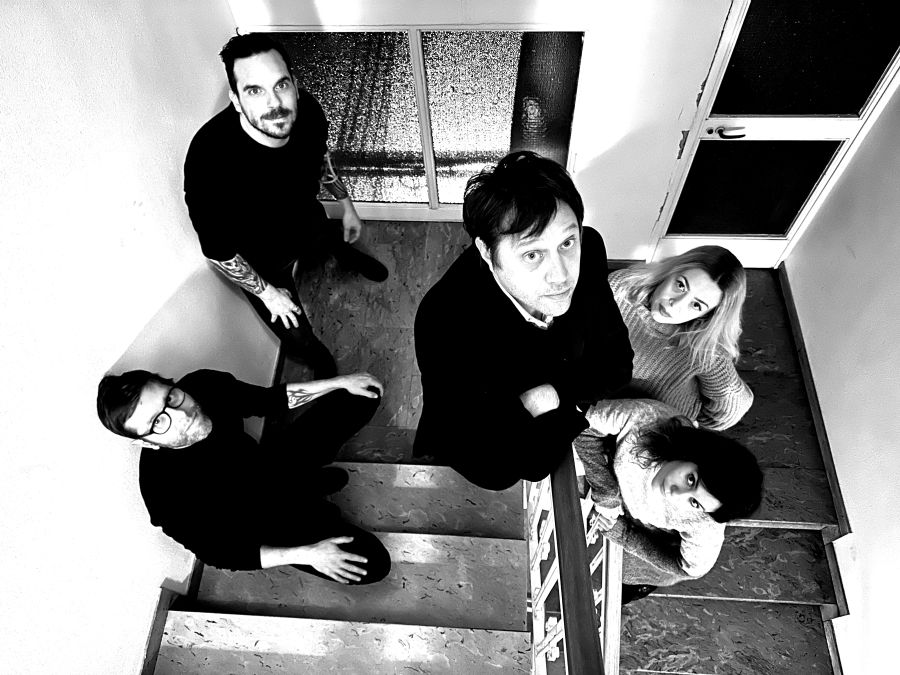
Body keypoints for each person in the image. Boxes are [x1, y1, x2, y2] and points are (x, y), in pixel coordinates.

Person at [414, 150, 633, 490]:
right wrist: (548, 400)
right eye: (532, 254)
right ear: (487, 252)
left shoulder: (588, 248)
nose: (561, 275)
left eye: (567, 242)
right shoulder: (444, 321)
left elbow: (617, 365)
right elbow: (484, 454)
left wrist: (548, 395)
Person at [184, 33, 388, 379]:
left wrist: (346, 205)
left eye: (281, 85)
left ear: (294, 82)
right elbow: (218, 251)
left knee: (328, 237)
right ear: (236, 100)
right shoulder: (209, 159)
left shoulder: (307, 112)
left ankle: (345, 254)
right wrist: (267, 294)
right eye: (254, 91)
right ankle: (321, 364)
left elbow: (320, 159)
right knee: (296, 333)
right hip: (262, 261)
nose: (274, 103)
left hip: (307, 220)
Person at [96, 368, 391, 584]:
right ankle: (311, 496)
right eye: (158, 422)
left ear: (172, 384)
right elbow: (222, 553)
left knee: (362, 393)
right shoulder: (163, 493)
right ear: (146, 443)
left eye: (171, 398)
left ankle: (310, 482)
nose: (183, 415)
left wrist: (339, 382)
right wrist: (308, 553)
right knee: (374, 564)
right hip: (264, 519)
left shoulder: (203, 385)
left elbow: (269, 400)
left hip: (272, 465)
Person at [576, 398, 763, 602]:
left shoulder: (704, 523)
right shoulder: (644, 421)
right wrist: (606, 492)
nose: (676, 494)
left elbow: (690, 569)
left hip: (645, 558)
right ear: (695, 453)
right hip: (621, 504)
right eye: (691, 480)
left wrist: (625, 535)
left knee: (606, 590)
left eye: (695, 503)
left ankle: (639, 588)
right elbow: (580, 424)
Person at [608, 246, 753, 430]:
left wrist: (687, 418)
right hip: (597, 408)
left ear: (707, 316)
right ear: (670, 271)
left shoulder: (706, 350)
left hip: (655, 429)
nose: (675, 304)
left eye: (696, 305)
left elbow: (733, 408)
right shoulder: (620, 288)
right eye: (680, 285)